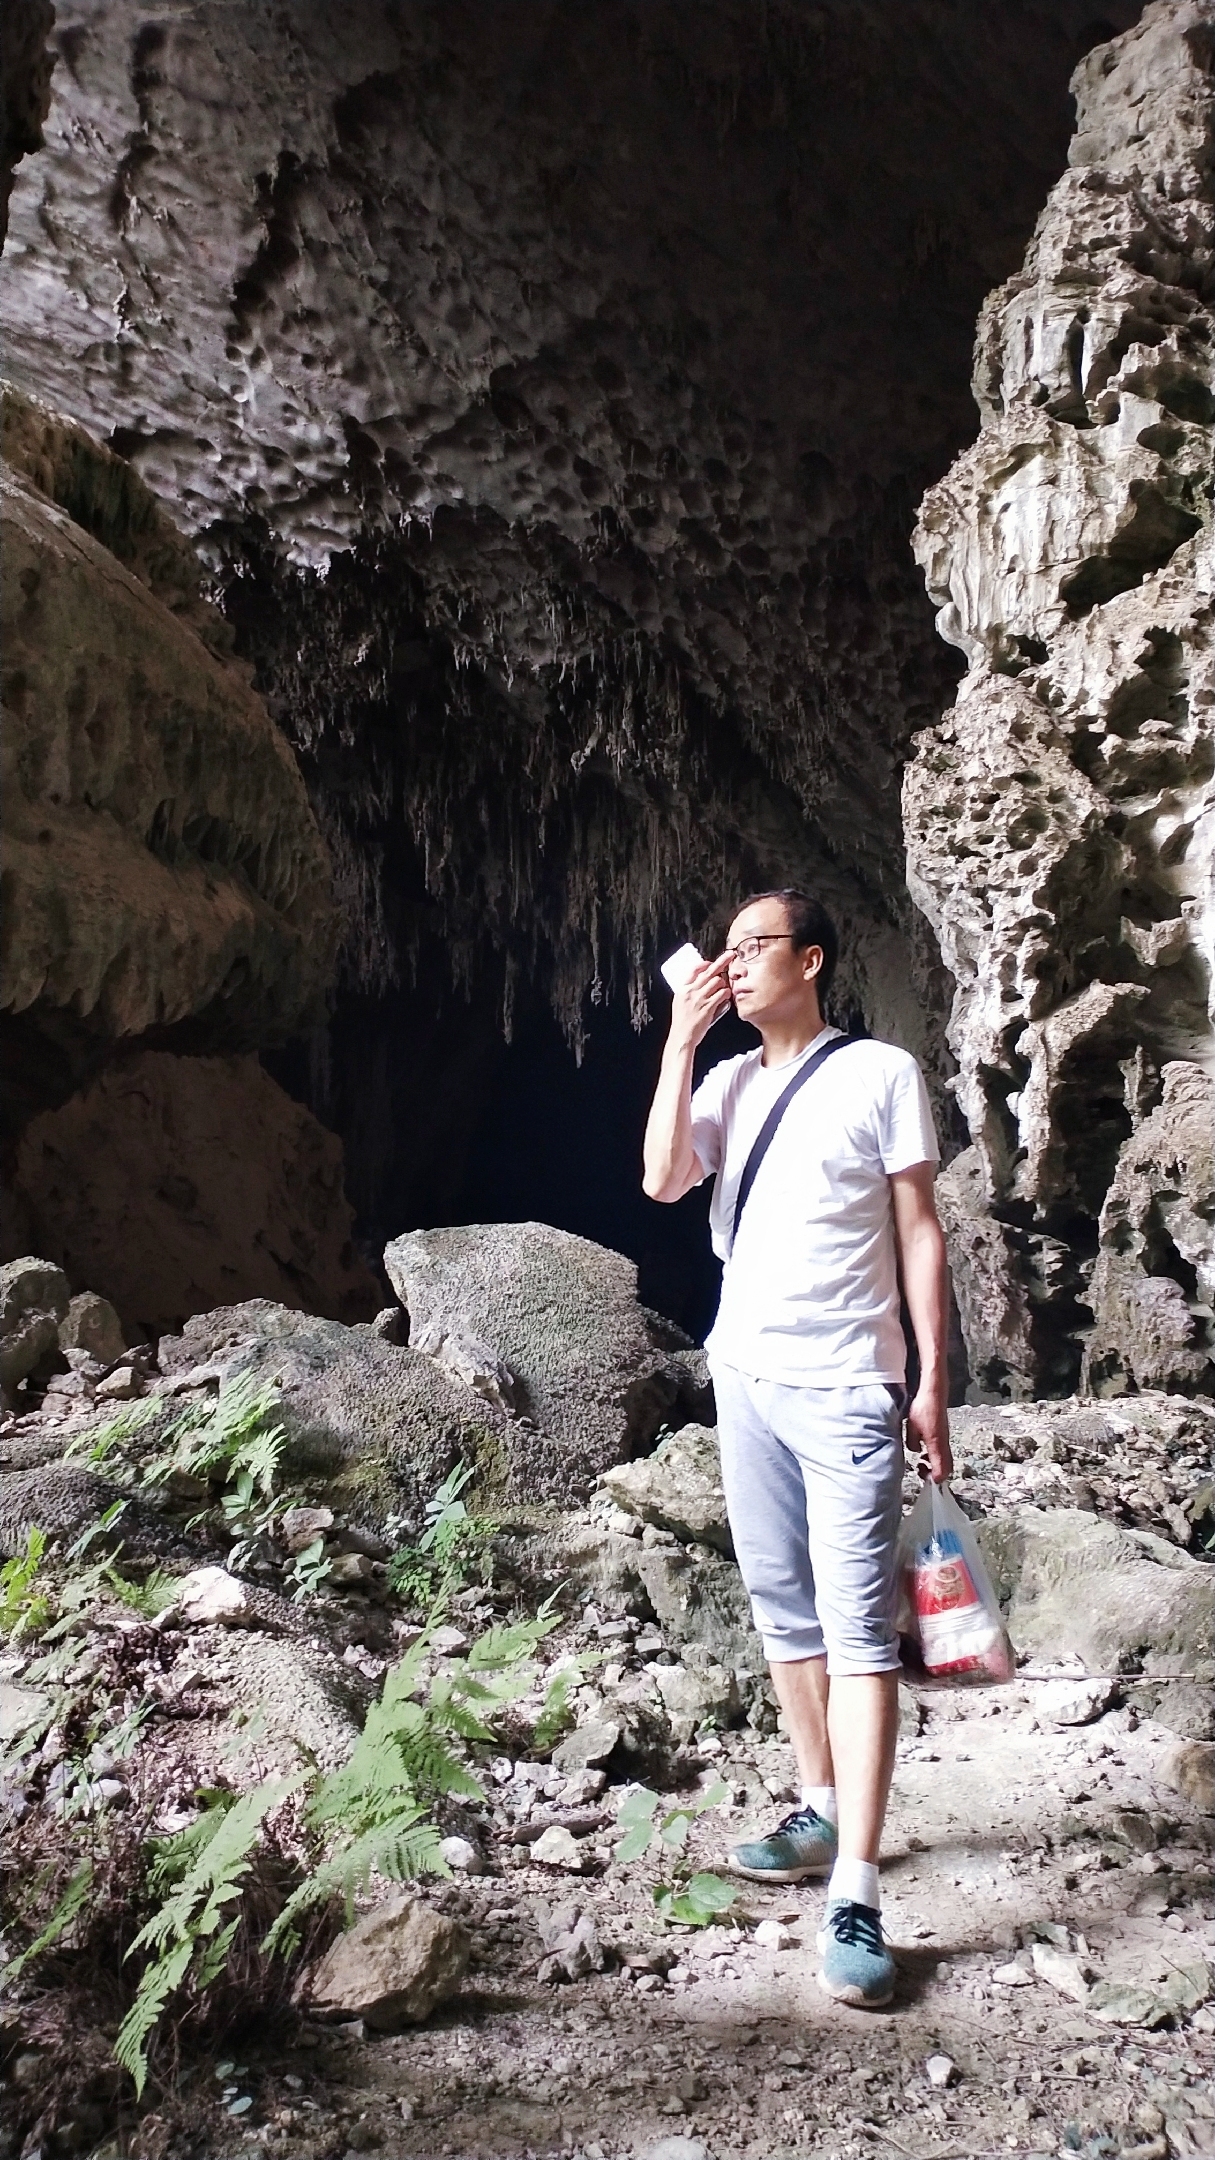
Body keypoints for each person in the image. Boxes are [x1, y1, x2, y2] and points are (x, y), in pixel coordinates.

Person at [642, 887, 951, 2008]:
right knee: (783, 1608)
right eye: (722, 951)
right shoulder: (726, 1083)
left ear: (810, 960)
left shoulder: (879, 1074)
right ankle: (818, 1805)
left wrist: (932, 1378)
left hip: (849, 1386)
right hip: (747, 1378)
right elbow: (661, 1180)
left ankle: (857, 1892)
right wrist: (680, 1043)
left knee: (860, 1634)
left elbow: (918, 1229)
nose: (732, 965)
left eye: (753, 946)